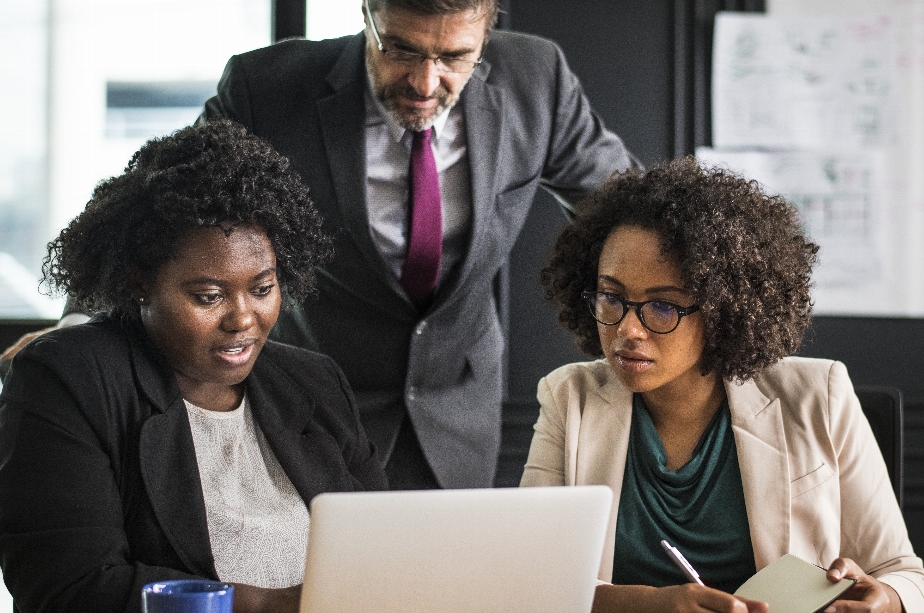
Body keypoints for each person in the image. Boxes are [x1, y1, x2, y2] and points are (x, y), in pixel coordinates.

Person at [202, 0, 636, 491]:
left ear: (486, 35)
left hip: (459, 406)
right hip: (310, 403)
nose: (425, 85)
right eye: (402, 50)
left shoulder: (537, 79)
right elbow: (177, 220)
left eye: (455, 57)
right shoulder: (265, 87)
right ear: (367, 14)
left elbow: (631, 210)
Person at [0, 121, 388, 613]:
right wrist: (266, 609)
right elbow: (70, 591)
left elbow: (386, 554)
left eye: (263, 288)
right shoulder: (70, 377)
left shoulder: (312, 381)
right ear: (141, 282)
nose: (243, 318)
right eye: (208, 296)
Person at [522, 158, 924, 613]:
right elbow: (527, 587)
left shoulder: (818, 394)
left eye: (663, 306)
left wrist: (880, 604)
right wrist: (642, 611)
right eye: (611, 297)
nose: (628, 328)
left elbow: (904, 574)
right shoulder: (569, 398)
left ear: (723, 308)